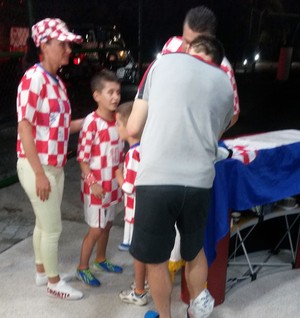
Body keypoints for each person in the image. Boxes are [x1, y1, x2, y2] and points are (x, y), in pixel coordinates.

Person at [127, 33, 234, 318]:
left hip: (157, 179)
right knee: (194, 249)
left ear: (189, 49)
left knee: (156, 259)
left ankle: (165, 316)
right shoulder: (225, 84)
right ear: (217, 60)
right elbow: (216, 133)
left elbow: (133, 127)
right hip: (199, 181)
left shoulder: (162, 65)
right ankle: (196, 310)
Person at [16, 18, 84, 300]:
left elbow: (60, 127)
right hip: (38, 167)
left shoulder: (54, 81)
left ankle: (42, 271)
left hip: (53, 165)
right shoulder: (33, 79)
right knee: (53, 228)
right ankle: (55, 283)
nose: (68, 49)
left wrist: (94, 119)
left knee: (43, 225)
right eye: (62, 44)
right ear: (44, 45)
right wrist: (39, 173)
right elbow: (24, 127)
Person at [76, 69, 124, 287]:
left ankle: (101, 259)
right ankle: (82, 268)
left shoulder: (118, 120)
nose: (115, 97)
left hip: (113, 185)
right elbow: (82, 159)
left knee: (108, 224)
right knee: (96, 228)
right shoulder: (91, 122)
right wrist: (92, 183)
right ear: (97, 95)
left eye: (118, 92)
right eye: (110, 92)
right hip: (96, 187)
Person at [161, 5, 240, 129]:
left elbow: (233, 114)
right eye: (186, 41)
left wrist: (210, 134)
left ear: (211, 41)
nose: (188, 49)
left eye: (196, 44)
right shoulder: (170, 47)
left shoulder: (224, 69)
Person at [114, 101, 149, 306]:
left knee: (138, 252)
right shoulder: (143, 149)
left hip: (137, 213)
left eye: (119, 123)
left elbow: (129, 187)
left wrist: (118, 175)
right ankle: (143, 282)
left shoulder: (133, 153)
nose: (117, 128)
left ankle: (139, 291)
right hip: (142, 211)